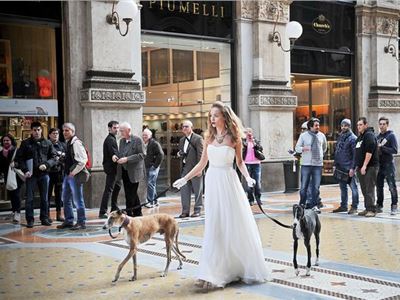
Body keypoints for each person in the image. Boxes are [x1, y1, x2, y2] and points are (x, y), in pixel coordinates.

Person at [173, 101, 269, 289]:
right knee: (214, 226)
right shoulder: (208, 137)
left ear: (224, 117)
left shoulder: (235, 138)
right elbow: (201, 165)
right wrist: (185, 179)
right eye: (210, 116)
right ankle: (211, 271)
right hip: (213, 181)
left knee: (232, 224)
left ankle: (234, 267)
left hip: (229, 182)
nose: (212, 119)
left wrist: (248, 178)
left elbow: (240, 163)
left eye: (215, 115)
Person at [17, 121, 57, 228]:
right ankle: (30, 220)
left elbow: (54, 157)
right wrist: (25, 170)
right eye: (34, 130)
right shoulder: (26, 143)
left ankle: (44, 218)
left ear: (41, 130)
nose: (36, 132)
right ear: (31, 131)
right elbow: (19, 158)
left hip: (44, 174)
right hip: (31, 175)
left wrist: (47, 164)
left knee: (44, 198)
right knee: (29, 198)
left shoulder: (47, 143)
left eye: (38, 130)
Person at [56, 123, 88, 230]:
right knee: (65, 199)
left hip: (74, 176)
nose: (64, 132)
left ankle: (81, 221)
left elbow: (83, 161)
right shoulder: (68, 143)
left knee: (78, 200)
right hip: (68, 175)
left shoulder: (76, 143)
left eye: (67, 130)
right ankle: (69, 220)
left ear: (73, 132)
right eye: (64, 130)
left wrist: (73, 172)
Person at [295, 118, 327, 212]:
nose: (318, 127)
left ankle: (314, 205)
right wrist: (304, 148)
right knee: (304, 186)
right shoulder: (303, 136)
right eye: (316, 125)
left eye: (318, 125)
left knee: (316, 187)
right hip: (306, 164)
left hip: (318, 165)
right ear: (310, 127)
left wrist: (320, 156)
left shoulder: (322, 136)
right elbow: (297, 148)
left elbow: (324, 148)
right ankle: (302, 204)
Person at [116, 122, 145, 217]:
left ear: (128, 130)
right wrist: (116, 157)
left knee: (130, 194)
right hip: (124, 171)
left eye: (122, 131)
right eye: (120, 131)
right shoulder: (121, 141)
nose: (120, 133)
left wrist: (127, 159)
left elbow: (142, 155)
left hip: (134, 172)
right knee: (131, 193)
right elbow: (121, 154)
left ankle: (128, 214)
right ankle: (138, 212)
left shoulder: (137, 140)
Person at [177, 120, 204, 218]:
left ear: (191, 127)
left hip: (195, 169)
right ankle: (185, 211)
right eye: (183, 127)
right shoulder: (181, 140)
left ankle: (197, 209)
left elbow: (201, 155)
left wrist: (200, 169)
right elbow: (182, 152)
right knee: (184, 190)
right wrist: (180, 154)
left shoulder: (198, 139)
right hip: (185, 168)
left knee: (198, 190)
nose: (184, 128)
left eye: (186, 126)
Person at [332, 119, 359, 214]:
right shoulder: (340, 136)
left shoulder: (353, 138)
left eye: (345, 125)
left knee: (353, 188)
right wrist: (335, 164)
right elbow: (337, 152)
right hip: (340, 167)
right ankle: (343, 206)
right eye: (342, 125)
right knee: (343, 188)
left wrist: (353, 168)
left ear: (349, 126)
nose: (343, 127)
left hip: (349, 168)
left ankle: (354, 206)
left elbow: (355, 155)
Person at [354, 117, 379, 217]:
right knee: (364, 189)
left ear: (365, 125)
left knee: (369, 188)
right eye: (358, 125)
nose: (358, 127)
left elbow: (369, 152)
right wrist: (358, 166)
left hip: (370, 167)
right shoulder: (359, 137)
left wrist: (364, 165)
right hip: (361, 167)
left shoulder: (369, 135)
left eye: (360, 125)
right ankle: (367, 207)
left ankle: (372, 210)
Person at [99, 121, 121, 218]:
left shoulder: (111, 138)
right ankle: (103, 211)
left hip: (113, 169)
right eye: (114, 128)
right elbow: (114, 154)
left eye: (117, 128)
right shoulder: (110, 140)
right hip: (112, 169)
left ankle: (114, 207)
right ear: (109, 128)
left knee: (117, 187)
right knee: (109, 190)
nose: (117, 130)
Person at [376, 116, 398, 215]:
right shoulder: (377, 137)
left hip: (389, 164)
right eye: (380, 124)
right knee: (379, 187)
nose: (382, 126)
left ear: (387, 125)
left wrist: (382, 148)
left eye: (384, 124)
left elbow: (394, 150)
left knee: (391, 186)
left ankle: (394, 205)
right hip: (379, 165)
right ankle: (379, 205)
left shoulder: (391, 136)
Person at [0, 134, 22, 224]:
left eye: (7, 140)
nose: (6, 142)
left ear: (11, 141)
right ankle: (14, 210)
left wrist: (15, 164)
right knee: (11, 194)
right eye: (4, 140)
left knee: (16, 194)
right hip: (7, 175)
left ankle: (17, 212)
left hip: (16, 175)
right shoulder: (1, 152)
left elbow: (21, 162)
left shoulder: (16, 151)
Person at [47, 128, 67, 222]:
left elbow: (67, 157)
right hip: (48, 173)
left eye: (57, 133)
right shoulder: (46, 144)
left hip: (59, 173)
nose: (55, 135)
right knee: (47, 194)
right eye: (53, 133)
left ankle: (59, 214)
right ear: (49, 135)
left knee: (59, 194)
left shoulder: (62, 145)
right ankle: (46, 215)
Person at [142, 128, 164, 208]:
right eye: (143, 135)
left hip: (153, 167)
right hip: (146, 166)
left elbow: (161, 155)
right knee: (152, 184)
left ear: (150, 135)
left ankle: (150, 202)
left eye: (146, 135)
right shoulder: (143, 143)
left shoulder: (154, 143)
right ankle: (155, 201)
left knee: (150, 183)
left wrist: (155, 166)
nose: (144, 136)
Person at [242, 127, 263, 205]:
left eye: (249, 132)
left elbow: (260, 149)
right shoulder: (243, 141)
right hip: (246, 164)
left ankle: (258, 198)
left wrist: (254, 142)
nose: (248, 133)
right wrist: (246, 142)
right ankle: (250, 199)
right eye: (246, 132)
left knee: (257, 182)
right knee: (249, 182)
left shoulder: (255, 140)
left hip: (256, 164)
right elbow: (241, 150)